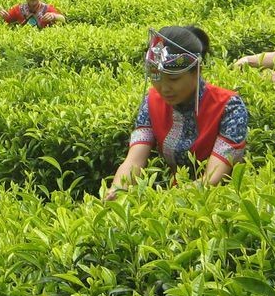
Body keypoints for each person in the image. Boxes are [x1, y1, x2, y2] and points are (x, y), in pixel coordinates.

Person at [106, 26, 247, 198]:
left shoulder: (230, 107)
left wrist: (164, 201)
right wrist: (117, 188)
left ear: (197, 71)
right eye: (156, 77)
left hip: (223, 202)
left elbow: (213, 179)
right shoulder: (151, 102)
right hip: (173, 199)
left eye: (173, 78)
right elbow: (134, 160)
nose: (164, 88)